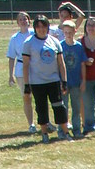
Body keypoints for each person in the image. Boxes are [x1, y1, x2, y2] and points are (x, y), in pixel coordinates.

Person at [21, 14, 71, 143]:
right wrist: (27, 85)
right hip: (37, 82)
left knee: (59, 107)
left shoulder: (54, 41)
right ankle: (44, 134)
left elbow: (61, 63)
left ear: (47, 27)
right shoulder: (29, 43)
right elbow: (25, 65)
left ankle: (65, 132)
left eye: (43, 26)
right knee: (41, 108)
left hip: (53, 80)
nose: (41, 29)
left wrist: (64, 81)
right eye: (38, 27)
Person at [6, 10, 36, 133]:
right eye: (21, 19)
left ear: (29, 21)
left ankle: (45, 122)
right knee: (26, 97)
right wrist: (10, 75)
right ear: (18, 23)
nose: (24, 21)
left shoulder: (35, 33)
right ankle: (31, 124)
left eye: (25, 19)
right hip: (21, 70)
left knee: (40, 97)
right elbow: (11, 57)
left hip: (36, 68)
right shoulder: (15, 38)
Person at [60, 20, 86, 138]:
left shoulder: (79, 47)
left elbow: (82, 64)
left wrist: (83, 80)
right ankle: (62, 131)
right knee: (63, 108)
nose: (68, 34)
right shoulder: (60, 45)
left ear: (75, 31)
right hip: (64, 83)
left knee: (76, 107)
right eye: (66, 32)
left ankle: (77, 130)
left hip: (76, 82)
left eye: (70, 32)